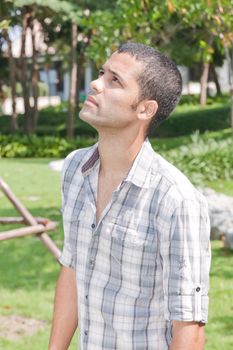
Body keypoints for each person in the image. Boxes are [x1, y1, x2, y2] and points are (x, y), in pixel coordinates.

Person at [49, 42, 211, 350]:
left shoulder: (176, 200)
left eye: (115, 80)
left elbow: (188, 325)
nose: (96, 84)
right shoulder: (74, 169)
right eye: (101, 73)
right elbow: (72, 269)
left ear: (145, 108)